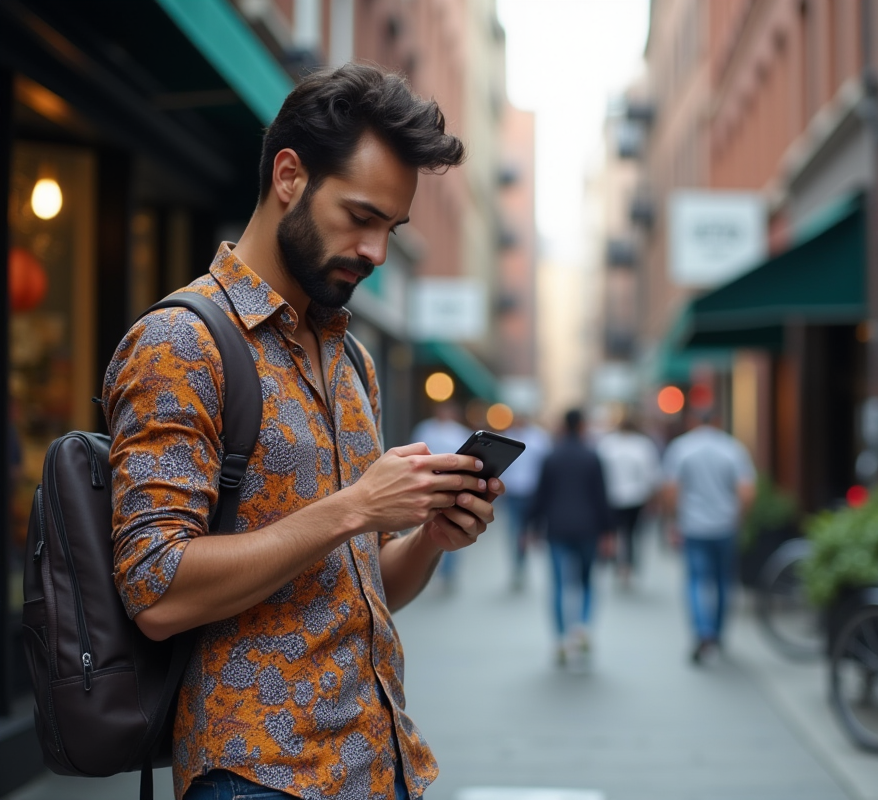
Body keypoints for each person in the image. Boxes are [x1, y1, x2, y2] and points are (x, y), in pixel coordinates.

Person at [102, 64, 503, 800]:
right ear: (289, 175)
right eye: (360, 217)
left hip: (378, 765)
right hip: (256, 776)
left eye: (392, 227)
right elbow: (155, 593)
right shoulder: (180, 343)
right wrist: (356, 507)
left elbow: (361, 584)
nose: (377, 251)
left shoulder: (349, 356)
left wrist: (431, 539)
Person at [661, 407, 756, 665]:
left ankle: (702, 632)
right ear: (718, 421)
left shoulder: (681, 448)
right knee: (724, 582)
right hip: (725, 526)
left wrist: (674, 519)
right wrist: (738, 518)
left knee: (696, 580)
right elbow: (746, 492)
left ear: (693, 421)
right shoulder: (733, 449)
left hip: (693, 526)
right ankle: (718, 634)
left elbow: (670, 490)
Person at [530, 409, 615, 665]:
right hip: (588, 528)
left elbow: (540, 495)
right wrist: (609, 531)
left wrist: (531, 526)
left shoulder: (551, 457)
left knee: (558, 584)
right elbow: (602, 497)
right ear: (582, 426)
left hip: (557, 528)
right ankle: (582, 627)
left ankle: (559, 639)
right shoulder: (592, 457)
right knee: (587, 580)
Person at [596, 411, 662, 589]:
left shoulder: (608, 444)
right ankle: (626, 566)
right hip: (634, 497)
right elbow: (651, 473)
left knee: (619, 533)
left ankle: (621, 565)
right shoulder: (642, 445)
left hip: (617, 496)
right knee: (631, 534)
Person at [410, 401, 472, 588]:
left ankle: (449, 571)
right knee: (429, 526)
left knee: (453, 526)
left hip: (454, 487)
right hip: (429, 484)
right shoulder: (426, 429)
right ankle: (430, 568)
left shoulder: (459, 432)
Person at [498, 412, 552, 590]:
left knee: (530, 532)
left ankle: (523, 563)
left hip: (532, 493)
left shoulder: (538, 438)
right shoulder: (507, 437)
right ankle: (519, 567)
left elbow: (546, 465)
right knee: (515, 531)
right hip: (513, 493)